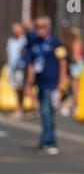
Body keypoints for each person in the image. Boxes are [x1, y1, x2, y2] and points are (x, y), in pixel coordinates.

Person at [24, 16, 68, 155]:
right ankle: (47, 140)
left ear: (48, 28)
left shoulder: (55, 43)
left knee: (46, 111)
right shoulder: (34, 43)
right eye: (37, 27)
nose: (39, 30)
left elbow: (63, 62)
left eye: (42, 26)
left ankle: (48, 141)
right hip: (40, 83)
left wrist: (62, 81)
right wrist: (29, 84)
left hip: (52, 82)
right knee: (45, 113)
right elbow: (31, 65)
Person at [6, 23, 27, 120]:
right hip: (12, 67)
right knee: (16, 88)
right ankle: (18, 108)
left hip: (21, 68)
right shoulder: (11, 40)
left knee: (21, 88)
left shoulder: (24, 40)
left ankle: (20, 109)